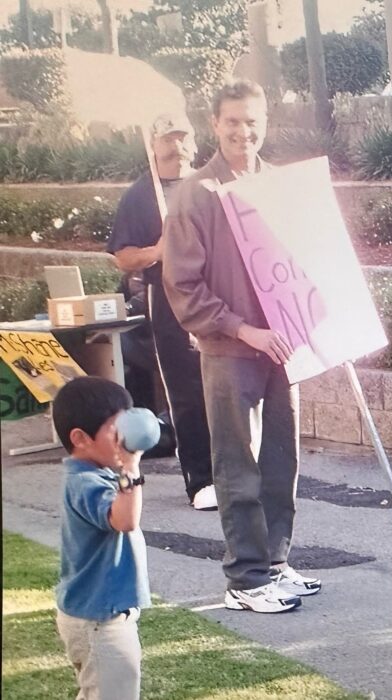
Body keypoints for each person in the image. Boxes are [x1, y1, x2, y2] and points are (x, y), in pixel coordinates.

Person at [163, 79, 317, 614]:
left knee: (280, 460)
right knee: (238, 464)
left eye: (252, 121)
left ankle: (274, 562)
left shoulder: (276, 185)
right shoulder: (194, 193)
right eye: (232, 121)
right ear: (215, 124)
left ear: (265, 123)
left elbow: (303, 261)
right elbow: (183, 287)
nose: (243, 132)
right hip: (231, 351)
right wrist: (241, 328)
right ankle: (246, 579)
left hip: (282, 347)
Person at [108, 112, 216, 511]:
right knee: (185, 388)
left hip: (216, 293)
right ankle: (201, 480)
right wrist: (158, 249)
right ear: (153, 145)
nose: (178, 146)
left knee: (226, 385)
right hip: (168, 295)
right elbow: (123, 257)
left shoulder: (208, 183)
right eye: (168, 138)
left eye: (184, 137)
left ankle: (237, 471)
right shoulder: (140, 195)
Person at [52, 377, 152, 700]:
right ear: (80, 438)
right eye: (115, 429)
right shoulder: (84, 483)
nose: (125, 438)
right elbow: (124, 520)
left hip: (100, 616)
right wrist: (132, 469)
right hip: (100, 623)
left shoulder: (98, 474)